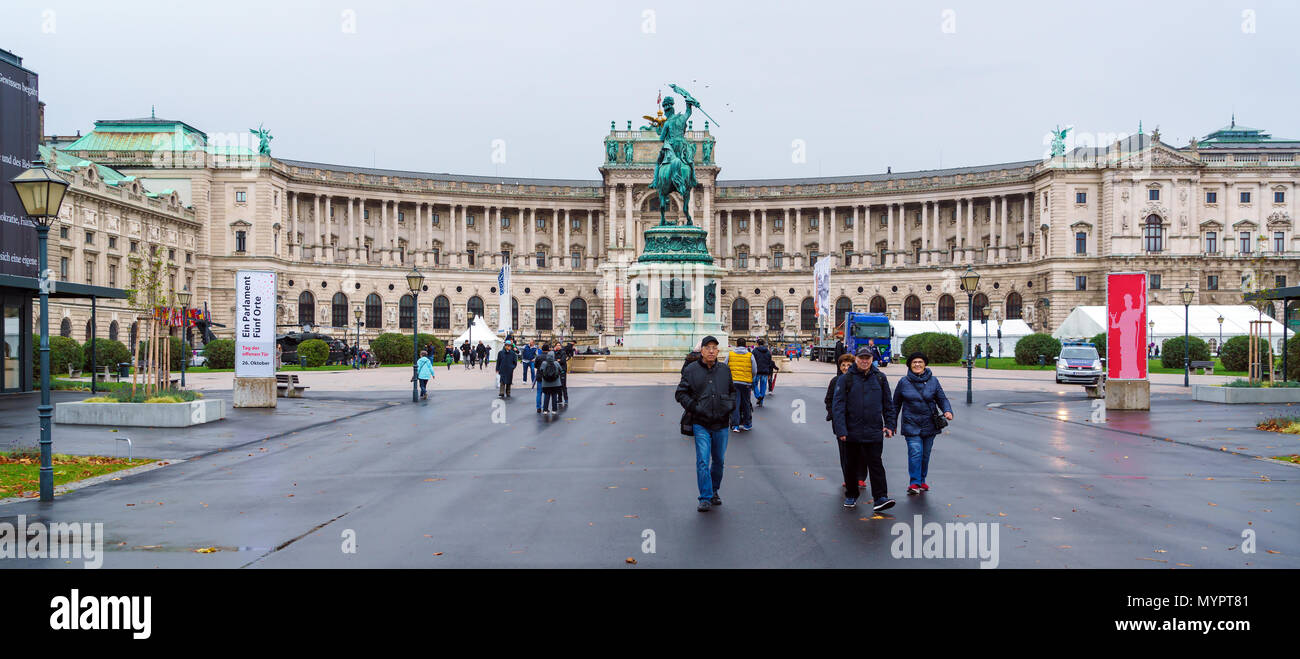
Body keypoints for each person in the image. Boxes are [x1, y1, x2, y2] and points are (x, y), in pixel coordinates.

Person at [831, 346, 897, 511]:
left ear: (872, 359)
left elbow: (888, 404)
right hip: (851, 430)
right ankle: (852, 494)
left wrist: (890, 424)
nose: (865, 361)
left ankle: (880, 497)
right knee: (851, 465)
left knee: (876, 464)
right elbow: (837, 407)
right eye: (862, 358)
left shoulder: (880, 378)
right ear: (857, 359)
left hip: (874, 430)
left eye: (868, 358)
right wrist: (841, 430)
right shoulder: (845, 379)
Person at [675, 336, 736, 512]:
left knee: (719, 460)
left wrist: (729, 405)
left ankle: (714, 490)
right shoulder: (692, 370)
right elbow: (680, 393)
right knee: (702, 460)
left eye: (714, 347)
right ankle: (705, 497)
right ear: (701, 350)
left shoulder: (724, 370)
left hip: (721, 422)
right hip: (700, 422)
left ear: (718, 351)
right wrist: (694, 407)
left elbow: (732, 391)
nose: (711, 350)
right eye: (707, 347)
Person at [893, 351, 954, 495]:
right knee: (915, 452)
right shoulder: (903, 382)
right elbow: (895, 405)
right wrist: (891, 423)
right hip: (911, 423)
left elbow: (942, 399)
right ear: (909, 365)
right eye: (914, 362)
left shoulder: (933, 381)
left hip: (929, 423)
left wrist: (947, 410)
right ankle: (914, 483)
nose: (917, 364)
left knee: (925, 454)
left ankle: (922, 480)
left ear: (925, 364)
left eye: (920, 362)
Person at [825, 353, 866, 491]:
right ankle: (848, 478)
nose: (846, 367)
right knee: (845, 452)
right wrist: (833, 414)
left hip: (858, 421)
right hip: (840, 421)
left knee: (861, 450)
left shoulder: (860, 379)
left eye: (849, 365)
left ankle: (860, 477)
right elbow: (829, 400)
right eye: (843, 365)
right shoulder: (835, 381)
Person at [722, 338, 756, 431]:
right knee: (746, 403)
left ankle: (735, 425)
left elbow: (724, 367)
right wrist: (749, 377)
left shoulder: (730, 354)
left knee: (735, 404)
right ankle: (747, 424)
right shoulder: (750, 355)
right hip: (746, 383)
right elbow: (754, 370)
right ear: (745, 345)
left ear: (736, 345)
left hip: (734, 382)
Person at [538, 348, 564, 416]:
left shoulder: (544, 363)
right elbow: (561, 370)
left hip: (546, 383)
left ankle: (545, 410)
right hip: (556, 383)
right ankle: (554, 410)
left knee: (546, 396)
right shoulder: (556, 363)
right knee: (554, 396)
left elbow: (541, 371)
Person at [752, 338, 775, 407]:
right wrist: (769, 373)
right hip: (765, 371)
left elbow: (752, 361)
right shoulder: (768, 351)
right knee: (763, 386)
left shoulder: (755, 351)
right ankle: (761, 401)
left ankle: (758, 396)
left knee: (754, 384)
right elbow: (770, 363)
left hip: (757, 371)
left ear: (757, 344)